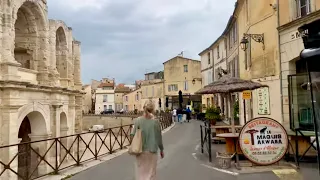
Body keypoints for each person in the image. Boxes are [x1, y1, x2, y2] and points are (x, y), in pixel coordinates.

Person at [130, 100, 164, 180]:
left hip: (140, 151)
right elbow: (159, 138)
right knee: (151, 175)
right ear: (153, 110)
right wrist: (161, 150)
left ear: (143, 108)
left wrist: (134, 144)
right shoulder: (156, 122)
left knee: (141, 174)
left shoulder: (138, 120)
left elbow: (132, 135)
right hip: (152, 151)